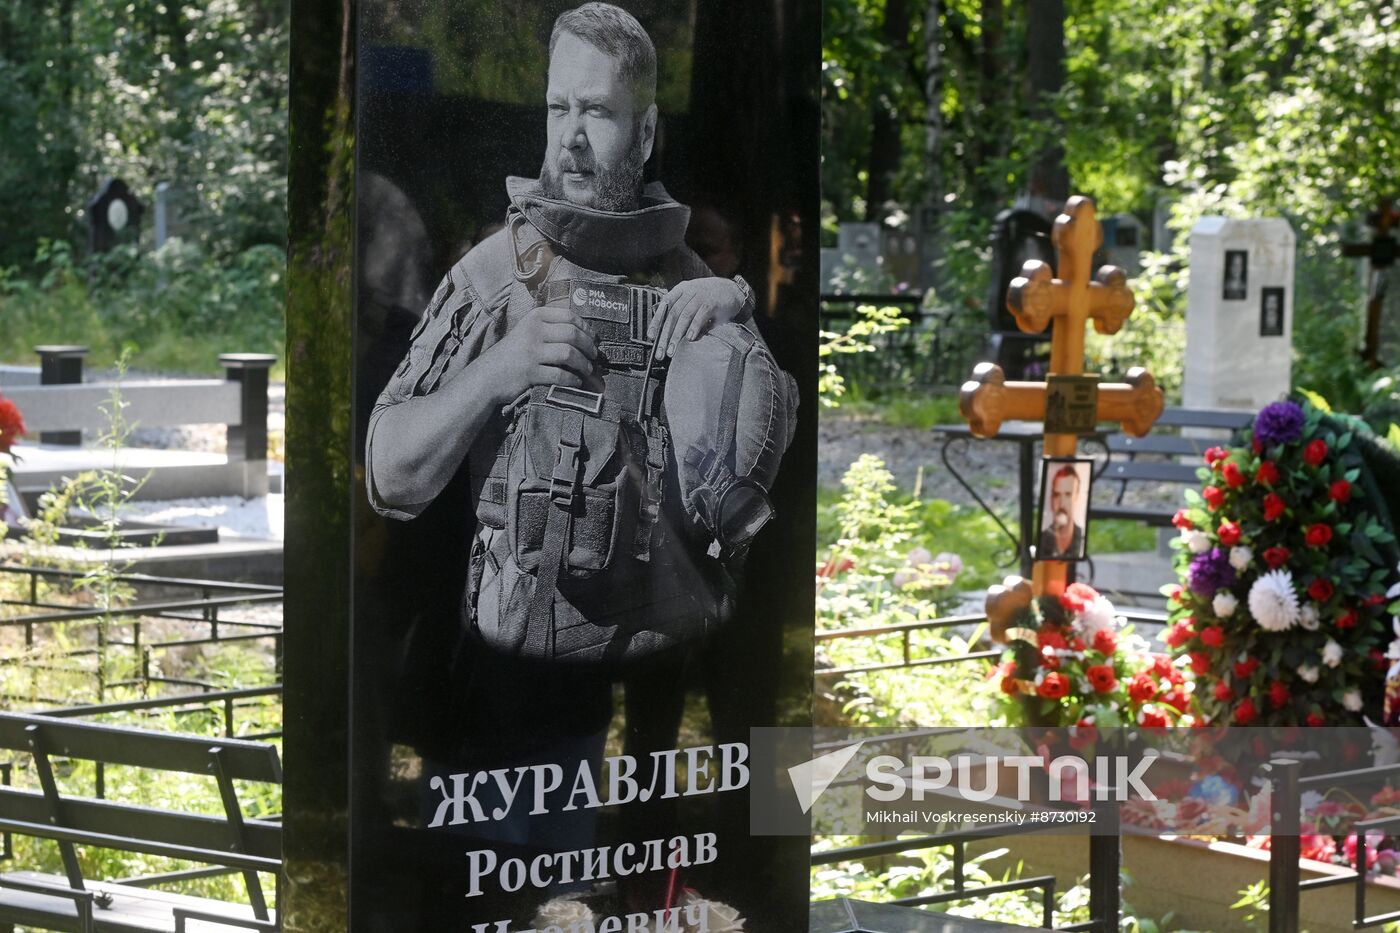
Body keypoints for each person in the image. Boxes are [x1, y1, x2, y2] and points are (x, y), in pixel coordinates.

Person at [361, 0, 797, 892]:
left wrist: (738, 315)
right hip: (490, 715)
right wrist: (499, 369)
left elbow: (754, 478)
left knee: (584, 898)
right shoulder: (493, 275)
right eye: (559, 108)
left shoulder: (691, 286)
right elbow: (387, 471)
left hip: (612, 714)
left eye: (597, 112)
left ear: (645, 133)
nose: (571, 137)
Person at [1038, 464, 1085, 560]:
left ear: (1076, 498)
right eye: (1057, 495)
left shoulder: (1083, 538)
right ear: (1051, 499)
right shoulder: (1041, 539)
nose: (1061, 503)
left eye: (1068, 495)